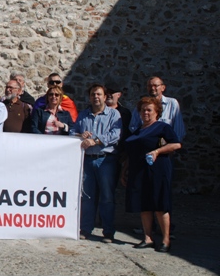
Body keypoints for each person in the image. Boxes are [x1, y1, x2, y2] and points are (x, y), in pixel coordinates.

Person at [125, 97, 181, 253]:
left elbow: (176, 144)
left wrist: (157, 151)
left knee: (159, 206)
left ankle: (166, 240)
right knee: (144, 205)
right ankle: (148, 238)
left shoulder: (162, 128)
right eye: (143, 110)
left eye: (149, 110)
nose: (146, 113)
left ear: (157, 112)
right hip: (139, 171)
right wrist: (125, 170)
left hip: (158, 171)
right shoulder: (138, 130)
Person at [72, 84, 122, 242]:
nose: (96, 97)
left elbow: (116, 134)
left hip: (105, 159)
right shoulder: (83, 115)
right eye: (93, 94)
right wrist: (81, 134)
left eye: (99, 94)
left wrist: (96, 141)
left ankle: (108, 232)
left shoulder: (114, 115)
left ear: (105, 96)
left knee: (107, 197)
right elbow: (72, 132)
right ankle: (86, 229)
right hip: (87, 160)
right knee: (87, 196)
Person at [129, 76, 185, 142]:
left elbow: (178, 129)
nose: (152, 88)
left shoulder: (172, 104)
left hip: (165, 147)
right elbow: (133, 126)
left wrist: (173, 144)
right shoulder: (142, 105)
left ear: (163, 88)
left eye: (155, 86)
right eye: (150, 86)